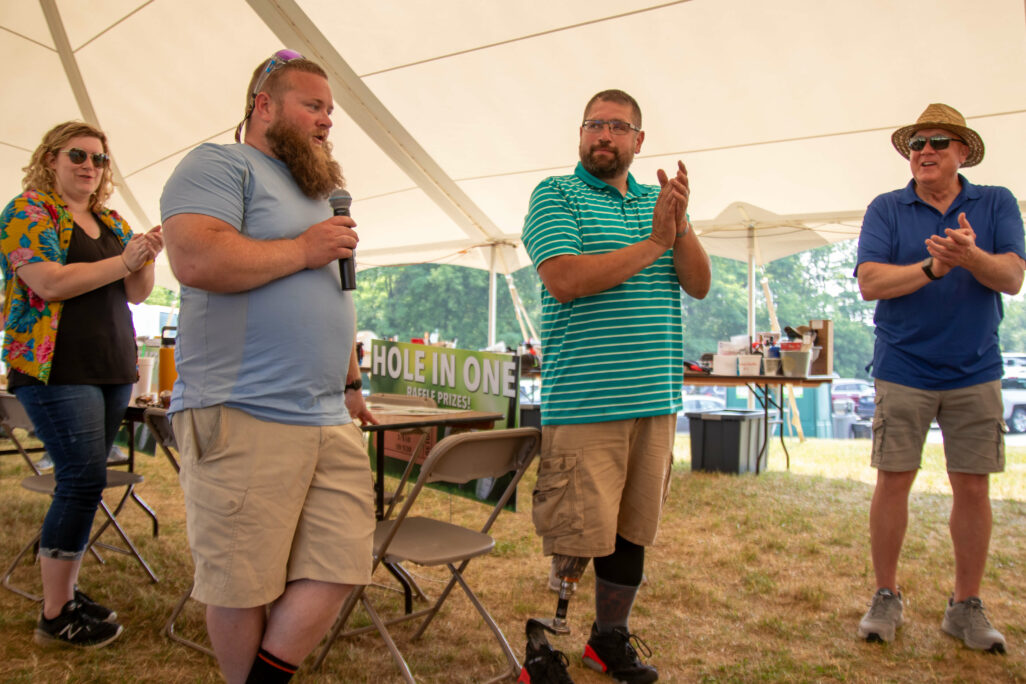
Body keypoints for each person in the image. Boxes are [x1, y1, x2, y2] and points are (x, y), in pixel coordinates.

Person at [160, 50, 375, 683]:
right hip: (242, 407)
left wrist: (351, 382)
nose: (327, 120)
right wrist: (305, 249)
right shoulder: (219, 165)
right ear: (264, 106)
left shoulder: (319, 194)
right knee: (242, 580)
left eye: (330, 110)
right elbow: (197, 260)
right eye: (313, 106)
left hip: (326, 413)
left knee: (343, 561)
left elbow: (333, 296)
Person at [520, 89, 711, 683]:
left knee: (632, 532)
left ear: (639, 140)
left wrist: (679, 226)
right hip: (586, 401)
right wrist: (653, 243)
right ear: (581, 134)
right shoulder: (556, 195)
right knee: (576, 531)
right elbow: (564, 279)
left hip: (654, 399)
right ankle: (544, 642)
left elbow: (699, 284)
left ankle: (609, 640)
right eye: (595, 124)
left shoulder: (659, 202)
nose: (605, 135)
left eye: (618, 127)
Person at [855, 103, 1024, 653]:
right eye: (916, 143)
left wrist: (971, 256)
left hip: (977, 368)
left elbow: (1012, 277)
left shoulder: (996, 202)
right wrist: (934, 267)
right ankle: (885, 596)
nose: (924, 151)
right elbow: (870, 282)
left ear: (963, 152)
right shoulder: (886, 207)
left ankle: (965, 606)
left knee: (973, 487)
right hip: (902, 367)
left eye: (937, 142)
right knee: (893, 480)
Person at [0, 121, 163, 648]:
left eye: (98, 158)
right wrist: (123, 260)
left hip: (111, 367)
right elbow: (47, 283)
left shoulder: (110, 219)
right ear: (51, 158)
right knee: (81, 481)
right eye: (78, 155)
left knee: (85, 481)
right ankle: (54, 614)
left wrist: (145, 258)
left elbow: (135, 293)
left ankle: (65, 595)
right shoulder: (28, 211)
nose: (90, 165)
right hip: (55, 369)